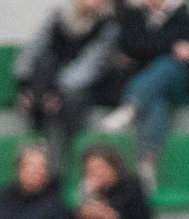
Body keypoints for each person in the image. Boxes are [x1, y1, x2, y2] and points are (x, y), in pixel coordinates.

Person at [98, 0, 189, 170]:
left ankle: (132, 107)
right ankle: (147, 163)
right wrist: (171, 46)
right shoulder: (132, 17)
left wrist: (149, 48)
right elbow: (130, 46)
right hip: (149, 86)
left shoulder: (185, 18)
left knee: (168, 64)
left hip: (178, 84)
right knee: (157, 101)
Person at [15, 0, 120, 151]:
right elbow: (33, 50)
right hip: (49, 83)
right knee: (43, 67)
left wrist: (56, 91)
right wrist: (25, 87)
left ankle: (70, 150)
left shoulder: (108, 27)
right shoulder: (57, 17)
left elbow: (88, 67)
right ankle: (37, 147)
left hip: (86, 86)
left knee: (70, 99)